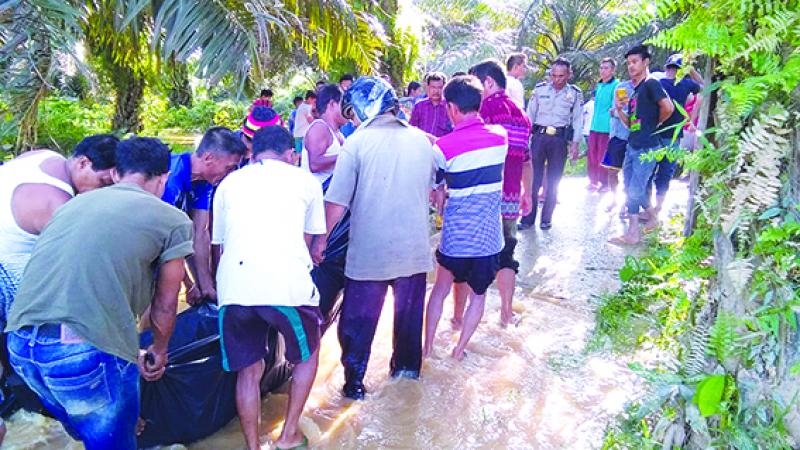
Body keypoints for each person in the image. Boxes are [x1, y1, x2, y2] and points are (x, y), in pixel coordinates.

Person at [5, 137, 193, 449]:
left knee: (91, 426)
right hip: (77, 353)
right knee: (111, 435)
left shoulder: (70, 204)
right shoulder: (171, 219)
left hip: (21, 348)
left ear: (117, 174)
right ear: (163, 178)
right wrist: (158, 351)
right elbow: (165, 303)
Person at [312, 76, 437, 400]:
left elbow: (336, 203)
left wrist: (320, 242)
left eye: (353, 114)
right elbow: (431, 191)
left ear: (363, 110)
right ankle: (405, 387)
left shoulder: (357, 143)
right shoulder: (423, 141)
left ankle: (354, 386)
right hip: (413, 254)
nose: (352, 120)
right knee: (409, 328)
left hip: (370, 254)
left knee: (357, 326)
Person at [213, 126, 325, 450]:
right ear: (291, 154)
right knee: (308, 355)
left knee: (248, 372)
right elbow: (311, 242)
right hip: (287, 287)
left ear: (252, 152)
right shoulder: (305, 181)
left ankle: (252, 446)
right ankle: (289, 435)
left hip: (233, 288)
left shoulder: (229, 183)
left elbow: (218, 243)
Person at [423, 75, 507, 360]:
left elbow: (437, 188)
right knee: (479, 296)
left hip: (456, 238)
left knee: (439, 290)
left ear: (452, 108)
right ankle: (458, 352)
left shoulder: (442, 148)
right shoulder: (500, 138)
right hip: (488, 240)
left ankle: (427, 349)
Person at [0, 135, 117, 322]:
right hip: (7, 279)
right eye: (103, 183)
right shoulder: (58, 205)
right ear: (83, 163)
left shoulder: (43, 156)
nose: (103, 192)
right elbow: (78, 268)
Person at [467, 59, 532, 328]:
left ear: (489, 83)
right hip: (511, 198)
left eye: (474, 84)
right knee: (507, 255)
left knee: (475, 257)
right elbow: (526, 159)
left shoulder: (483, 111)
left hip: (484, 197)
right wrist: (527, 192)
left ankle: (462, 320)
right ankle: (506, 313)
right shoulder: (522, 115)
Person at [161, 127, 246, 305]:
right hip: (147, 244)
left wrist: (206, 287)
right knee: (161, 298)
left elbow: (199, 233)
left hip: (165, 243)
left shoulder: (204, 182)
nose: (229, 174)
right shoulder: (170, 179)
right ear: (208, 158)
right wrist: (189, 284)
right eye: (228, 168)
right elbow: (164, 241)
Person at [609, 45, 675, 245]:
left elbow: (669, 108)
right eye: (628, 63)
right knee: (630, 187)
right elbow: (632, 124)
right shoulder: (636, 90)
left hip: (647, 146)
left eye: (635, 61)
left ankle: (632, 234)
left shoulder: (651, 84)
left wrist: (656, 123)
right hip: (633, 144)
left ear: (646, 62)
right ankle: (653, 218)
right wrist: (620, 110)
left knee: (636, 191)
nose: (631, 66)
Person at [519, 58, 583, 231]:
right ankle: (527, 218)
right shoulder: (540, 90)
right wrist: (524, 138)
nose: (557, 80)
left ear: (569, 75)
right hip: (539, 138)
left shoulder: (575, 94)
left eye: (561, 76)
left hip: (559, 140)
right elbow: (529, 115)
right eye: (553, 75)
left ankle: (546, 219)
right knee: (533, 180)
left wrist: (575, 143)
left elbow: (577, 119)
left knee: (554, 180)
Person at [649, 54, 703, 214]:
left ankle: (645, 206)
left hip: (655, 133)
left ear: (666, 68)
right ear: (682, 70)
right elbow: (704, 85)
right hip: (674, 135)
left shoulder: (657, 84)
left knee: (649, 170)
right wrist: (691, 69)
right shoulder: (686, 84)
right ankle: (657, 207)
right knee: (665, 172)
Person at [600, 78, 634, 212]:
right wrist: (616, 112)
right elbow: (620, 108)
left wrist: (616, 113)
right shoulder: (623, 87)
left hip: (633, 137)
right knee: (612, 172)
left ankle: (627, 204)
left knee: (629, 174)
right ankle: (614, 199)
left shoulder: (648, 85)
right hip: (618, 136)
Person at [588, 58, 619, 191]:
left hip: (607, 127)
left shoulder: (618, 85)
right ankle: (593, 181)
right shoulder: (599, 85)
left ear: (613, 70)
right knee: (592, 155)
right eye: (601, 68)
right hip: (594, 125)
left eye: (606, 68)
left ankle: (605, 183)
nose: (603, 70)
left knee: (603, 155)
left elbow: (624, 103)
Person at [409, 71, 452, 137]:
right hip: (422, 145)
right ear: (428, 87)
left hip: (442, 146)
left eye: (440, 87)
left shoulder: (450, 108)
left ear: (444, 88)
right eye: (433, 87)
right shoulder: (419, 106)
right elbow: (411, 129)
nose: (436, 91)